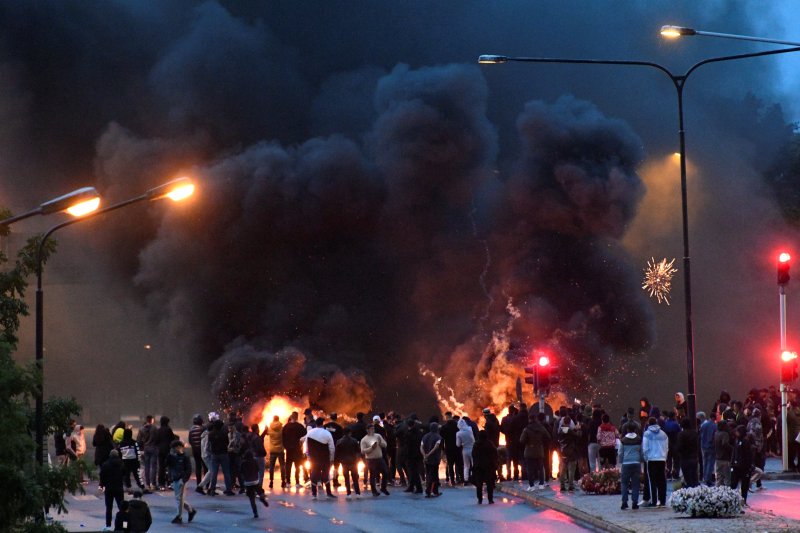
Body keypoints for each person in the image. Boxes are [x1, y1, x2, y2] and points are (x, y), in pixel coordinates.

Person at [166, 440, 197, 524]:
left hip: (181, 479)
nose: (174, 450)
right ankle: (190, 510)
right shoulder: (172, 456)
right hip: (175, 478)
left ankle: (179, 516)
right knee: (179, 498)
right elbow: (168, 466)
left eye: (174, 448)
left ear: (179, 447)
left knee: (179, 499)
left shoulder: (185, 457)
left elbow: (188, 469)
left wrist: (183, 480)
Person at [307, 416, 336, 498]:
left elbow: (306, 446)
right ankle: (328, 493)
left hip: (314, 458)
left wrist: (308, 456)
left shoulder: (310, 433)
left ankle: (314, 493)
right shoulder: (327, 433)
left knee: (314, 473)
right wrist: (331, 459)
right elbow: (332, 448)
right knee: (326, 474)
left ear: (316, 424)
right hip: (324, 458)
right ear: (322, 424)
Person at [642, 417, 668, 507]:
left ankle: (654, 501)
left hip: (651, 460)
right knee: (662, 480)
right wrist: (665, 457)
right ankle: (663, 500)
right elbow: (666, 448)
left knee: (652, 481)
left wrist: (646, 458)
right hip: (662, 459)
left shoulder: (647, 434)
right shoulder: (663, 434)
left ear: (649, 424)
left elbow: (645, 448)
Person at [519, 413, 549, 491]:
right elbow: (548, 437)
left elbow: (521, 440)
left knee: (530, 469)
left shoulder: (526, 429)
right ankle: (541, 484)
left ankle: (531, 486)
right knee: (540, 468)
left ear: (529, 419)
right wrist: (541, 443)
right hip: (539, 450)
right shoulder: (541, 428)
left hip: (529, 451)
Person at [617, 422, 642, 510]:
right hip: (636, 463)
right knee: (636, 483)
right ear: (635, 429)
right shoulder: (639, 439)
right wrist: (641, 460)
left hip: (626, 463)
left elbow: (620, 453)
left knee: (624, 483)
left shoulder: (623, 440)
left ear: (627, 430)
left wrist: (621, 461)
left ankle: (624, 502)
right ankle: (635, 502)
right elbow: (641, 451)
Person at [361, 423, 390, 496]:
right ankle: (374, 491)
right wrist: (371, 448)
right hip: (371, 460)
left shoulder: (378, 436)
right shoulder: (364, 439)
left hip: (379, 458)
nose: (372, 430)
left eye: (373, 428)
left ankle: (383, 487)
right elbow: (363, 451)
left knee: (386, 472)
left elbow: (385, 444)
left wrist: (380, 443)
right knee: (373, 475)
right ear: (367, 430)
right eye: (371, 429)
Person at [100, 449, 125, 531]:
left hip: (109, 488)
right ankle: (124, 526)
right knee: (122, 508)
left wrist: (102, 485)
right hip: (119, 488)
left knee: (109, 508)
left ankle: (108, 525)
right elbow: (124, 474)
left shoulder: (105, 464)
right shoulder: (121, 464)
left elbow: (102, 476)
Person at [208, 418, 234, 496]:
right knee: (226, 472)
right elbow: (227, 442)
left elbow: (210, 444)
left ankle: (212, 489)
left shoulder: (211, 434)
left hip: (214, 454)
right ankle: (229, 489)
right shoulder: (224, 433)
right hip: (223, 454)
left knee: (214, 473)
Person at [240, 449, 269, 518]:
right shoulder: (255, 461)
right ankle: (262, 499)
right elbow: (258, 469)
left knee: (252, 499)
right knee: (259, 491)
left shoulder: (243, 463)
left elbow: (241, 473)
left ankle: (255, 513)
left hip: (247, 483)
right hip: (255, 481)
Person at [472, 430, 497, 504]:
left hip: (478, 466)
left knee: (479, 484)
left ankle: (480, 499)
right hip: (488, 466)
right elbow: (495, 454)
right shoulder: (490, 444)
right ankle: (490, 499)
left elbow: (473, 455)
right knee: (489, 483)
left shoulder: (476, 444)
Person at [730, 425, 753, 508]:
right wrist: (732, 463)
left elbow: (748, 455)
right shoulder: (736, 440)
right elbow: (734, 452)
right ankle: (732, 500)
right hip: (736, 466)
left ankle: (743, 501)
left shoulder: (745, 442)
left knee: (744, 486)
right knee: (733, 484)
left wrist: (749, 466)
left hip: (744, 467)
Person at [282, 412, 307, 487]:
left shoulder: (285, 426)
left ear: (291, 417)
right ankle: (297, 482)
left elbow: (283, 438)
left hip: (289, 449)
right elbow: (304, 435)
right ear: (296, 417)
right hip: (297, 449)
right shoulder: (300, 426)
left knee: (288, 466)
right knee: (297, 466)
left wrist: (285, 447)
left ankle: (288, 482)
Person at [336, 427, 361, 498]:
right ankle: (357, 493)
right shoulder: (354, 440)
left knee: (346, 478)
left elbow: (337, 454)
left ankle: (348, 493)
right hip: (353, 462)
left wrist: (337, 463)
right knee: (355, 478)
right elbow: (358, 451)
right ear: (350, 433)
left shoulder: (339, 441)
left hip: (344, 462)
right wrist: (358, 459)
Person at [557, 415, 580, 492]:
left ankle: (562, 486)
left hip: (563, 451)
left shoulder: (560, 431)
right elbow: (577, 437)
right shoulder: (570, 431)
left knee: (563, 469)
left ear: (563, 422)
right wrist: (578, 429)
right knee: (571, 469)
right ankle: (570, 486)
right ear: (570, 422)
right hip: (571, 451)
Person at [119, 428, 145, 493]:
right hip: (134, 461)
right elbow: (137, 452)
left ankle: (129, 487)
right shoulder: (134, 442)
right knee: (137, 475)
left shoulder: (121, 443)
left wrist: (121, 461)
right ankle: (142, 486)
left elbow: (120, 453)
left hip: (125, 461)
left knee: (126, 475)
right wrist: (139, 460)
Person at [136, 416, 158, 492]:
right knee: (153, 467)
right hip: (153, 448)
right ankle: (153, 484)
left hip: (145, 449)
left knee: (147, 467)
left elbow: (138, 440)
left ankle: (147, 484)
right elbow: (157, 438)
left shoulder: (141, 429)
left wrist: (140, 449)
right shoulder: (155, 428)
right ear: (151, 420)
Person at [421, 422, 442, 497]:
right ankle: (428, 491)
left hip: (427, 460)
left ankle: (435, 491)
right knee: (433, 475)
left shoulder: (425, 436)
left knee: (429, 474)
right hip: (434, 459)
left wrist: (424, 455)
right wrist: (429, 454)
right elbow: (436, 447)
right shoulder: (438, 437)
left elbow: (421, 447)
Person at [675, 418, 698, 487]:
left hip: (685, 458)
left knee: (687, 477)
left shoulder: (681, 434)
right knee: (694, 476)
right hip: (694, 457)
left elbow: (679, 446)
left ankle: (689, 490)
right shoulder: (694, 433)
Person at [154, 416, 176, 490]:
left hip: (160, 451)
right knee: (169, 467)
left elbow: (156, 440)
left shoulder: (158, 430)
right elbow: (173, 438)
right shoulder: (168, 429)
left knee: (161, 467)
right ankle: (169, 482)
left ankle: (161, 484)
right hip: (168, 450)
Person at [440, 413, 461, 486]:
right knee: (458, 464)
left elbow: (442, 438)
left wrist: (442, 449)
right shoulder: (457, 425)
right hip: (457, 448)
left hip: (448, 448)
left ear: (446, 417)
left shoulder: (444, 427)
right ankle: (460, 479)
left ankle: (452, 480)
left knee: (450, 465)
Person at [747, 409, 765, 490]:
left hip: (751, 446)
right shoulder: (757, 422)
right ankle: (753, 483)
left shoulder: (749, 422)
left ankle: (757, 484)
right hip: (756, 447)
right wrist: (759, 446)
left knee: (753, 464)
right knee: (759, 465)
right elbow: (759, 436)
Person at [324, 413, 344, 486]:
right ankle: (335, 481)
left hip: (326, 449)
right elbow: (341, 439)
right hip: (336, 449)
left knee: (327, 465)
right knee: (336, 465)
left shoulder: (325, 426)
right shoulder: (339, 427)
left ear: (330, 418)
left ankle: (326, 480)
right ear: (336, 418)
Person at [266, 415, 286, 489]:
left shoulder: (270, 428)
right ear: (278, 419)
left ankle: (271, 481)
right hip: (280, 449)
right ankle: (283, 481)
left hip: (272, 450)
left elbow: (267, 433)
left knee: (271, 466)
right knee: (282, 466)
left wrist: (266, 429)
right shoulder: (282, 428)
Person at [500, 405, 519, 480]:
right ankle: (516, 475)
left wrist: (506, 433)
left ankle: (508, 475)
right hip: (515, 441)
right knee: (515, 460)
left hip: (508, 440)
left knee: (508, 459)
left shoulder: (504, 419)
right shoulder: (516, 418)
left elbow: (501, 429)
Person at [698, 411, 716, 486]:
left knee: (704, 463)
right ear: (714, 418)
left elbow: (700, 435)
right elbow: (714, 437)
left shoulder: (704, 426)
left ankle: (704, 478)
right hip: (711, 447)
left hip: (703, 446)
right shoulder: (715, 426)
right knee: (710, 464)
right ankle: (708, 479)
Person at [188, 414, 206, 490]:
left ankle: (198, 483)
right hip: (203, 449)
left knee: (198, 466)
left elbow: (190, 440)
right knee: (205, 467)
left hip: (195, 450)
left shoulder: (191, 429)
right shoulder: (203, 428)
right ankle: (206, 483)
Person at [456, 418, 475, 485]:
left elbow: (458, 445)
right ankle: (474, 478)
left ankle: (466, 480)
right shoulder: (470, 429)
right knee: (474, 464)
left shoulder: (458, 433)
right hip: (472, 448)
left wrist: (462, 443)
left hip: (465, 450)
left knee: (466, 465)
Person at [714, 420, 733, 487]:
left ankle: (718, 492)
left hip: (717, 458)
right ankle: (728, 491)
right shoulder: (725, 434)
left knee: (719, 478)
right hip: (725, 458)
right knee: (727, 478)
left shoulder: (716, 433)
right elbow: (725, 444)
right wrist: (732, 448)